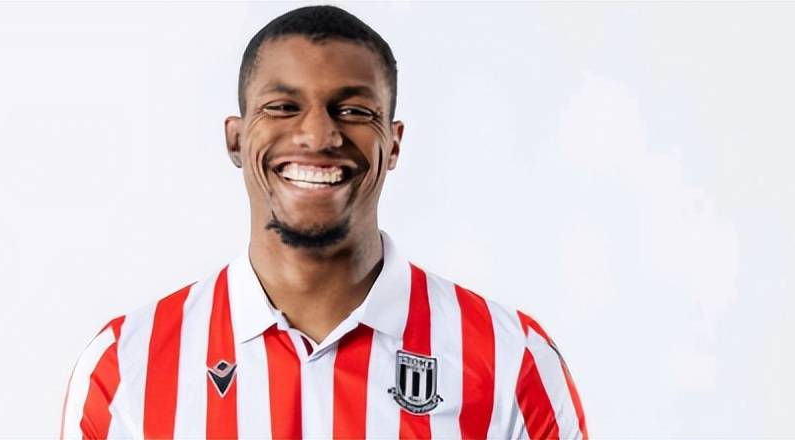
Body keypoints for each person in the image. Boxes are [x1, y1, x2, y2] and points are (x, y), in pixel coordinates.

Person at [61, 5, 586, 439]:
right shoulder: (127, 365)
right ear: (236, 139)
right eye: (282, 106)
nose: (318, 135)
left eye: (353, 111)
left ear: (393, 143)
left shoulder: (510, 359)